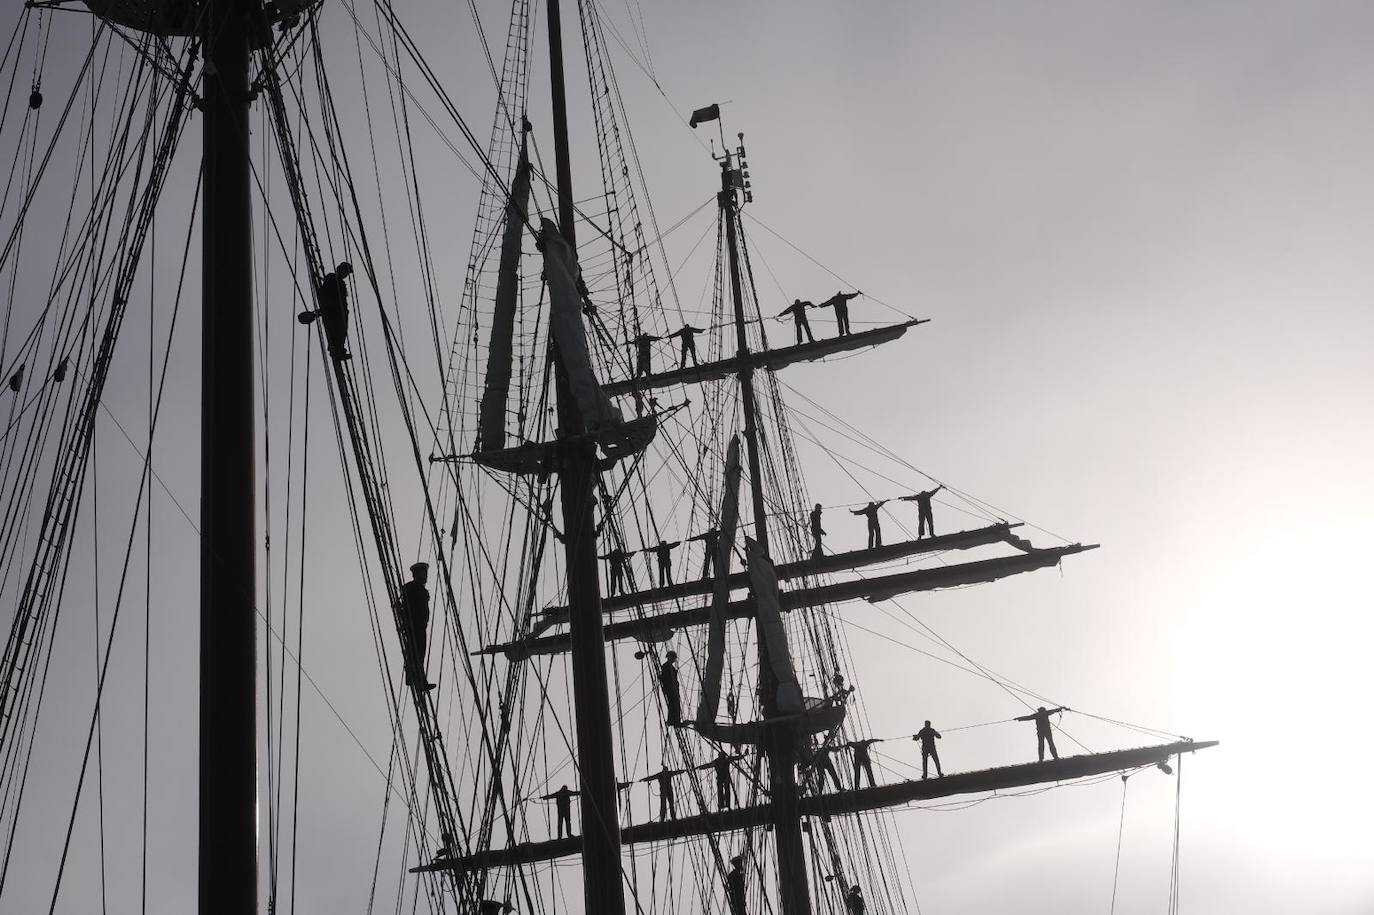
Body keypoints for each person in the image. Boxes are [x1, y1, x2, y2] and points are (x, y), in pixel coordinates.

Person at [298, 261, 354, 361]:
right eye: (345, 271)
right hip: (333, 308)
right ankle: (337, 350)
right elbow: (325, 291)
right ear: (340, 269)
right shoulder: (332, 277)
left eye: (347, 273)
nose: (346, 274)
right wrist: (327, 305)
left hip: (340, 310)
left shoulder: (341, 283)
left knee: (342, 331)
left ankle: (339, 350)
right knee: (336, 329)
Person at [400, 562, 435, 691]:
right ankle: (418, 680)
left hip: (420, 625)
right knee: (417, 653)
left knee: (419, 654)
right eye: (423, 573)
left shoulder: (420, 589)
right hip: (415, 625)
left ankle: (416, 679)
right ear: (417, 574)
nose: (425, 576)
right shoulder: (413, 588)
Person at [658, 651, 682, 725]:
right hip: (670, 688)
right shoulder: (666, 667)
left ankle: (674, 720)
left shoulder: (669, 667)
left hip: (672, 688)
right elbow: (664, 678)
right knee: (673, 704)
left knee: (674, 704)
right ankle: (673, 720)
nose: (674, 659)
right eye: (673, 657)